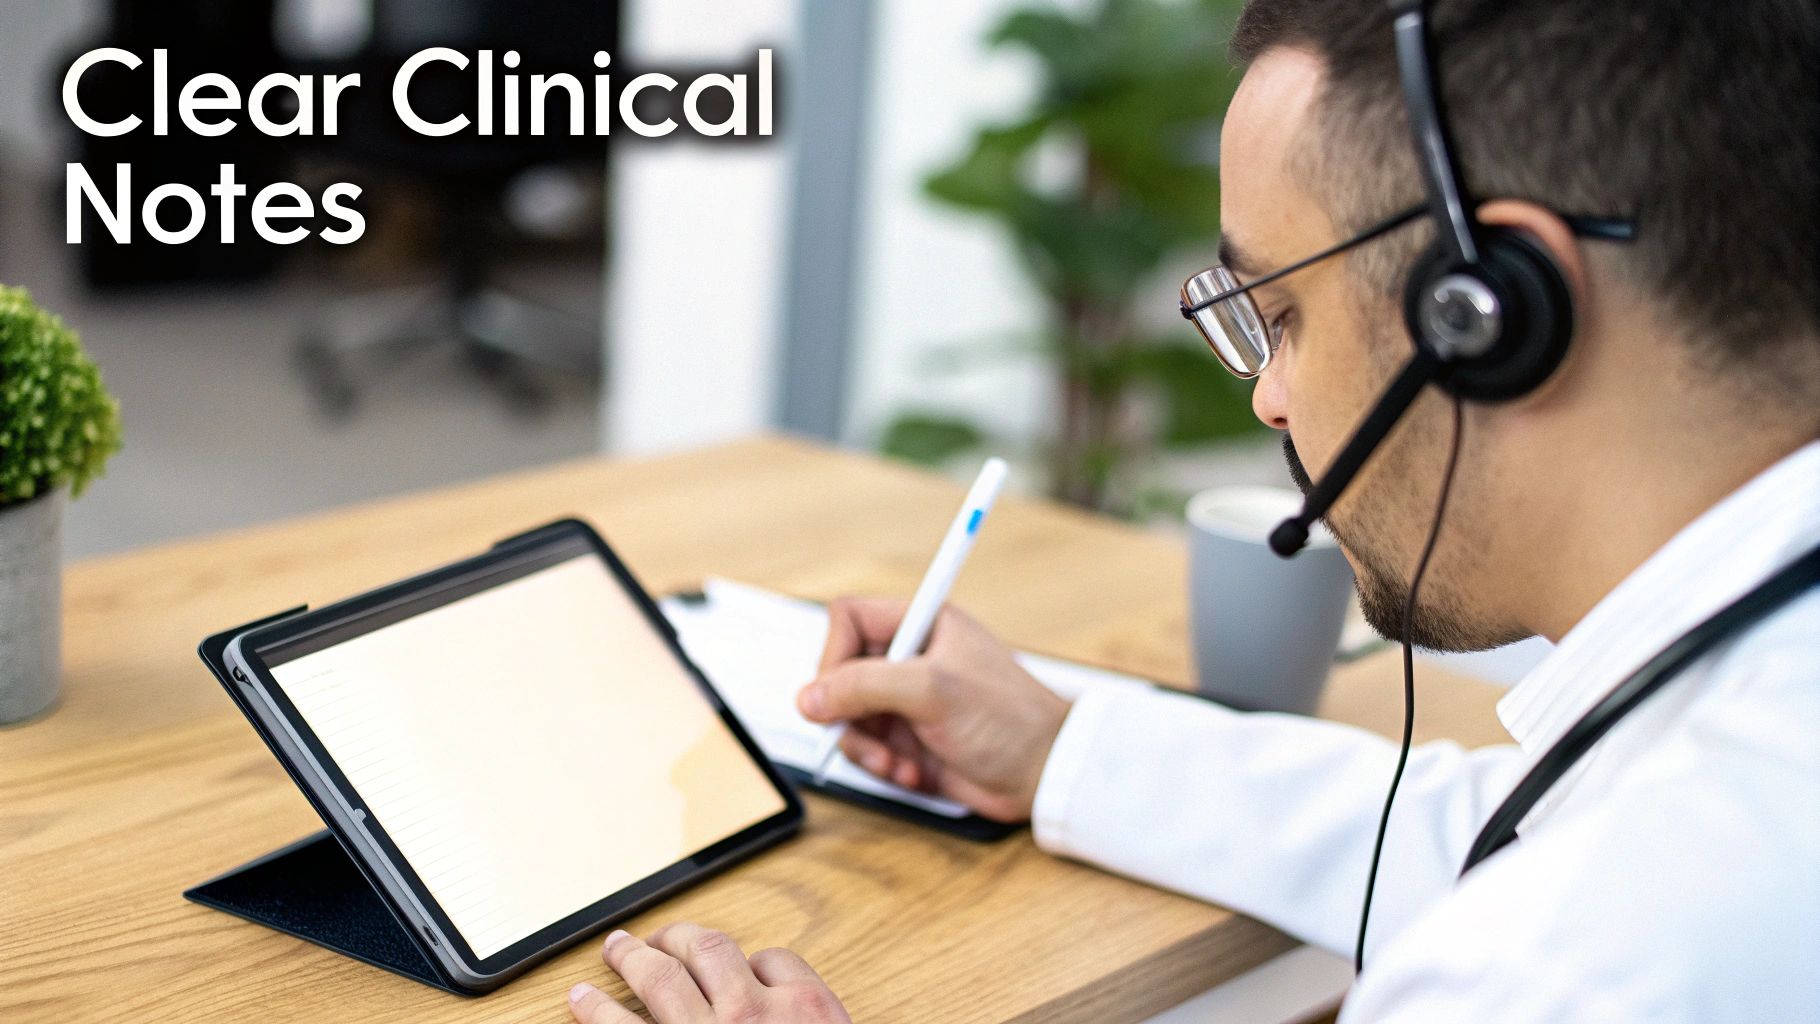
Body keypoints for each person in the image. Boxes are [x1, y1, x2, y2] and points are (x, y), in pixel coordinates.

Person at [563, 0, 1820, 1019]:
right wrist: (1064, 748)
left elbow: (1553, 908)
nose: (1269, 395)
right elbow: (1496, 834)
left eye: (1279, 312)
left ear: (1489, 311)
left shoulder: (1582, 963)